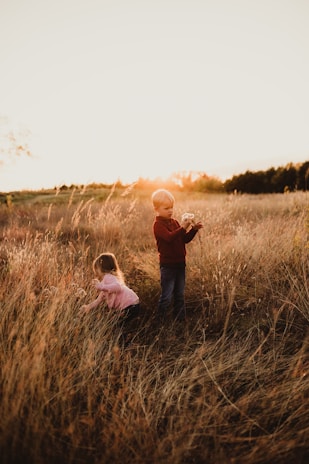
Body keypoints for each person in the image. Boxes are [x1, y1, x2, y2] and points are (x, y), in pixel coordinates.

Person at [152, 189, 203, 323]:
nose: (170, 210)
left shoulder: (174, 222)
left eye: (172, 207)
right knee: (167, 296)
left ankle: (180, 320)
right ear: (156, 209)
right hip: (168, 266)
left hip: (180, 264)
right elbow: (169, 238)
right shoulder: (157, 225)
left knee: (179, 295)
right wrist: (183, 227)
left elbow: (184, 239)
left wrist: (193, 230)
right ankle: (160, 321)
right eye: (166, 208)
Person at [80, 252, 140, 342]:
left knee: (116, 324)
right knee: (118, 324)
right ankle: (125, 341)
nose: (96, 271)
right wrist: (87, 307)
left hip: (129, 306)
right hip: (133, 304)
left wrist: (100, 286)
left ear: (102, 268)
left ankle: (123, 344)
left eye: (96, 268)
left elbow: (118, 287)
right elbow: (98, 300)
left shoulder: (108, 277)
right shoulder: (107, 281)